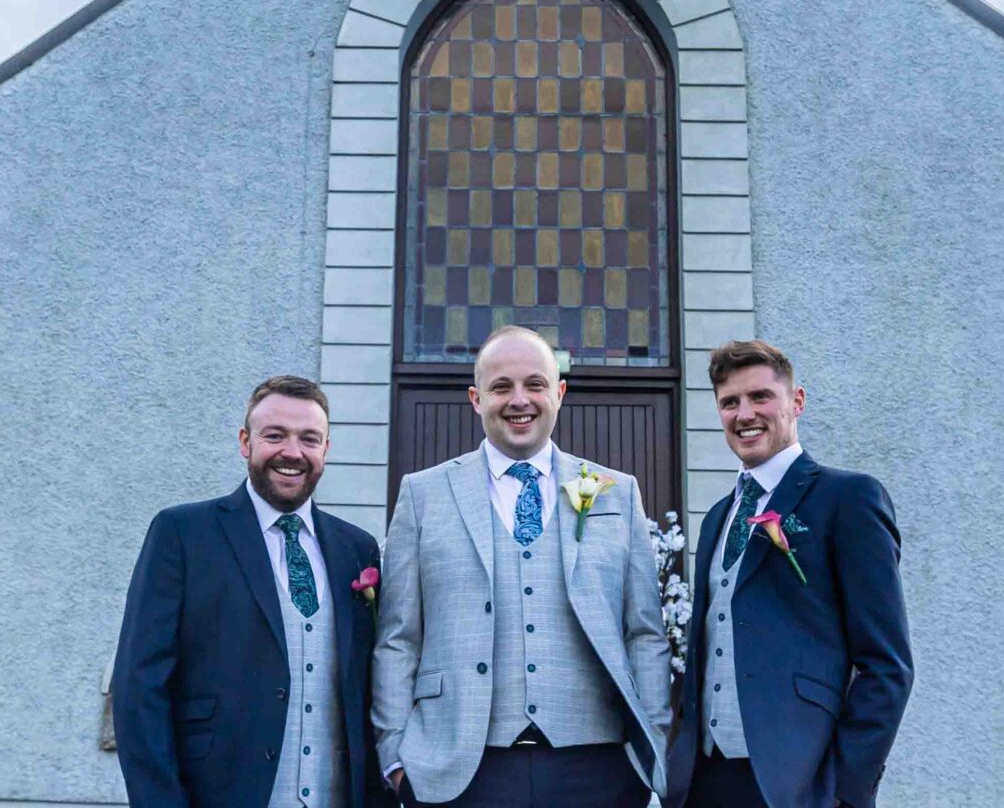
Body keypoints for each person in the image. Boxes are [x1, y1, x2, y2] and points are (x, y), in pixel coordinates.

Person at [371, 325, 670, 807]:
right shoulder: (422, 495)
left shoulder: (618, 491)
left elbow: (645, 633)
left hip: (599, 766)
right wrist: (396, 756)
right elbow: (398, 638)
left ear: (560, 393)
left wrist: (652, 745)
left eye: (534, 384)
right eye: (500, 387)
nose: (519, 400)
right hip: (461, 768)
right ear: (475, 398)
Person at [111, 375, 390, 808]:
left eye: (309, 439)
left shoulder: (357, 549)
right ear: (246, 442)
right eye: (274, 435)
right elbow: (139, 687)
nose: (292, 452)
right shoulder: (183, 534)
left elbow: (369, 691)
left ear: (326, 450)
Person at [666, 340, 913, 808]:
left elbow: (887, 665)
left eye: (761, 397)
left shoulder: (848, 498)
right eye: (730, 402)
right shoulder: (719, 516)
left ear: (796, 401)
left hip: (796, 783)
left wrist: (844, 789)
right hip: (704, 780)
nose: (745, 414)